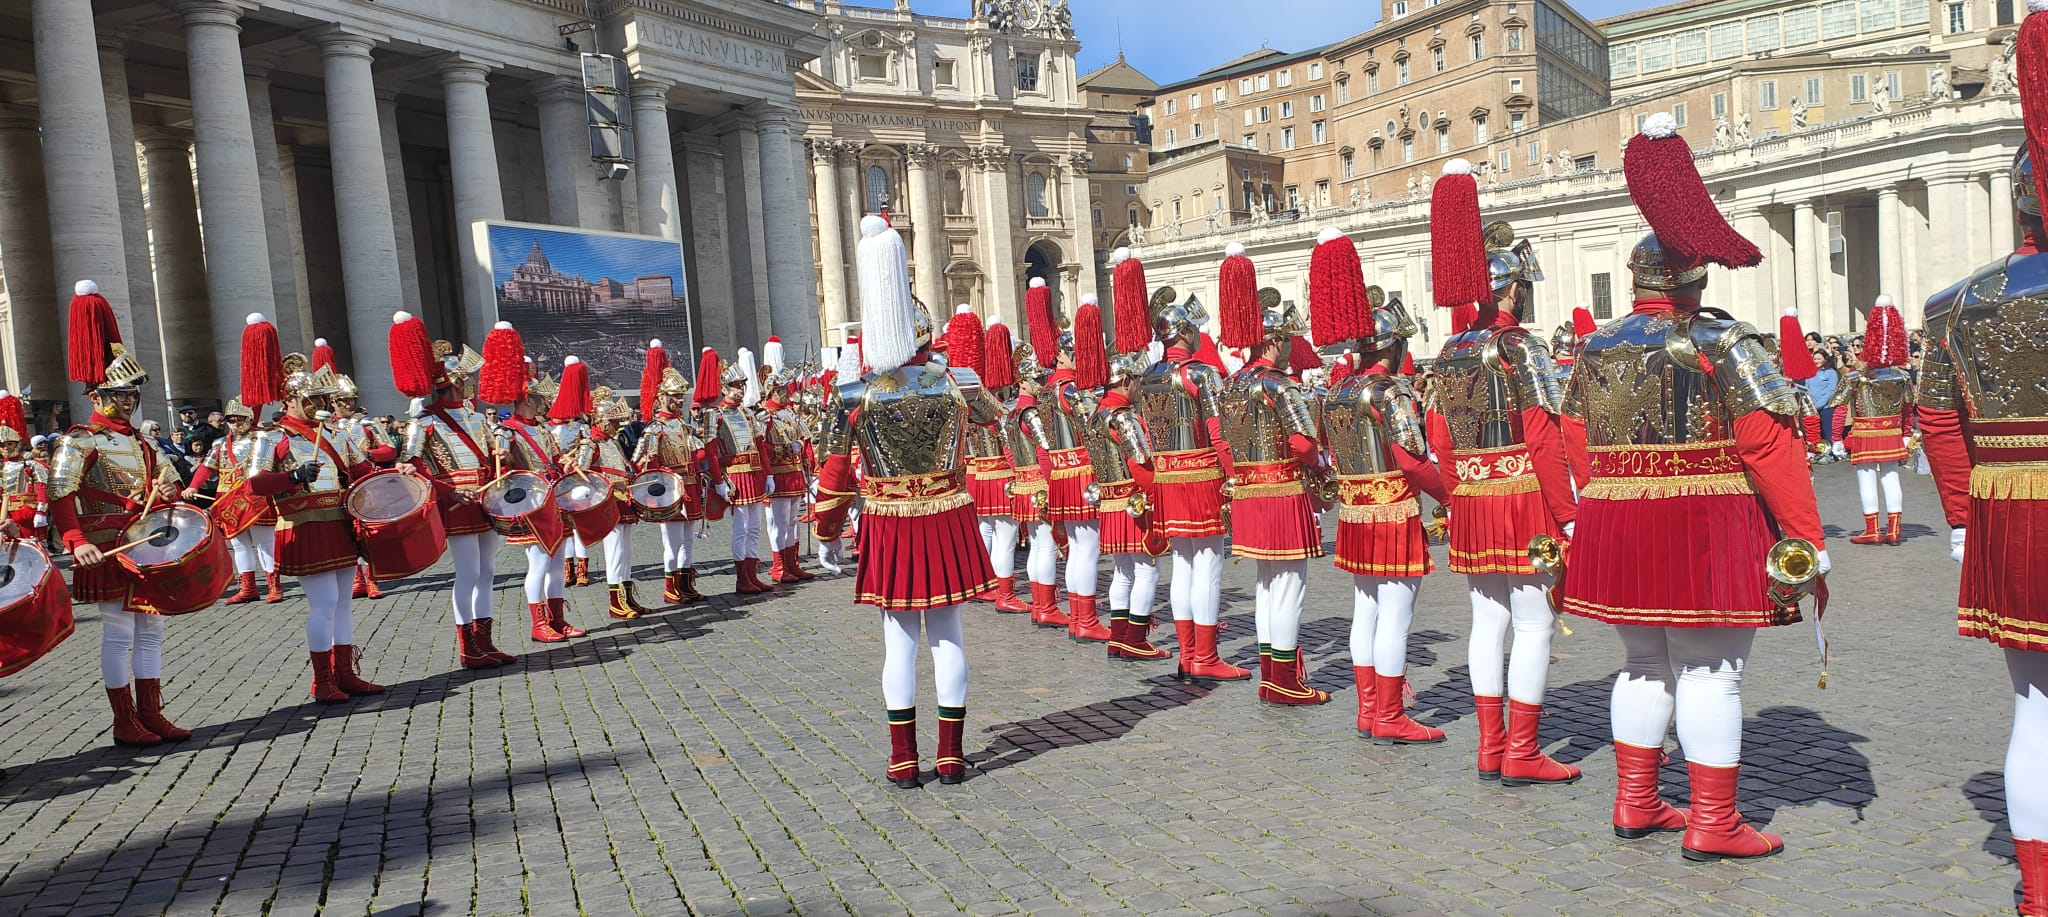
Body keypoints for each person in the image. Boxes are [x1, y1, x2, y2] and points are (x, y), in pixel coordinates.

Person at [1560, 112, 1829, 861]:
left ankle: (1636, 798)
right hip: (1707, 521)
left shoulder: (1595, 344)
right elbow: (1768, 442)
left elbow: (1574, 434)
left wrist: (1610, 490)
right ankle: (1714, 820)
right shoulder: (1723, 338)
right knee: (1712, 669)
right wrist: (1805, 534)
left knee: (1643, 663)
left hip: (1618, 518)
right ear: (1695, 274)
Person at [1919, 26, 2048, 904]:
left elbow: (1936, 415)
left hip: (2008, 508)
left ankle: (2037, 889)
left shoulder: (1957, 302)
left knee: (2035, 709)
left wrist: (1964, 515)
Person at [812, 216, 999, 788]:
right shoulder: (958, 381)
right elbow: (999, 417)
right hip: (948, 513)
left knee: (899, 644)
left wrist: (826, 529)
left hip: (889, 520)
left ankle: (901, 758)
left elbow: (836, 473)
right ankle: (949, 756)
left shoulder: (852, 394)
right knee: (949, 639)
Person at [1424, 160, 1580, 786]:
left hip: (1472, 496)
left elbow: (1438, 436)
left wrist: (1460, 490)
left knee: (1487, 621)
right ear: (1513, 289)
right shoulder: (1522, 348)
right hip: (1523, 497)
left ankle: (1490, 746)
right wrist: (1569, 513)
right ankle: (1522, 748)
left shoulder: (1450, 350)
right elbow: (1544, 436)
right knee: (1535, 621)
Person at [1309, 228, 1451, 740]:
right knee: (1395, 612)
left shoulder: (1337, 391)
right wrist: (1451, 495)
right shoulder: (1389, 392)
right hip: (1391, 508)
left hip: (1354, 510)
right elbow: (1412, 462)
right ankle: (1389, 715)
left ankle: (1370, 708)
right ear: (1394, 346)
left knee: (1365, 609)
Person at [50, 280, 192, 745]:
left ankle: (152, 713)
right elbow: (61, 495)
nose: (128, 401)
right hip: (107, 545)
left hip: (147, 541)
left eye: (132, 394)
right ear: (96, 397)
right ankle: (123, 720)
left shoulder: (144, 441)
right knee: (118, 632)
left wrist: (176, 498)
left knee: (152, 626)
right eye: (119, 394)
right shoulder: (79, 439)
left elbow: (167, 487)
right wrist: (76, 541)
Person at [245, 343, 388, 704]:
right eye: (312, 399)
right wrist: (292, 475)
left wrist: (386, 470)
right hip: (304, 524)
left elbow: (360, 470)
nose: (320, 405)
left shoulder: (337, 434)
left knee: (342, 602)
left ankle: (345, 673)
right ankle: (321, 680)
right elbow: (254, 482)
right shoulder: (273, 437)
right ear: (291, 400)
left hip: (338, 521)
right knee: (324, 602)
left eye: (322, 399)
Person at [1136, 267, 1243, 681]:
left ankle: (1186, 653)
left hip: (1167, 478)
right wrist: (1235, 476)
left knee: (1181, 565)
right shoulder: (1200, 373)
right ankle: (1207, 655)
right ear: (1182, 332)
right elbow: (1218, 435)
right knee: (1209, 565)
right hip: (1202, 477)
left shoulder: (1149, 377)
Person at [391, 313, 515, 670]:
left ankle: (486, 640)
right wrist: (447, 492)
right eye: (464, 380)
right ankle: (467, 645)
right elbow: (410, 466)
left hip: (485, 499)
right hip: (457, 502)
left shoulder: (478, 419)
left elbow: (495, 457)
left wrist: (502, 459)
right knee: (469, 572)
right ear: (453, 382)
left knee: (488, 570)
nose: (469, 385)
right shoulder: (424, 422)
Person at [478, 324, 585, 643]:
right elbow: (500, 473)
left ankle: (558, 619)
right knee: (538, 564)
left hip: (553, 501)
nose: (542, 402)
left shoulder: (542, 429)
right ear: (526, 397)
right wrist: (502, 457)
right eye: (537, 397)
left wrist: (568, 462)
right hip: (530, 505)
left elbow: (555, 458)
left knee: (555, 565)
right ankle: (538, 624)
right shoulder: (506, 431)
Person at [954, 308, 1024, 610]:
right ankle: (1004, 593)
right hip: (999, 475)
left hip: (974, 475)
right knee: (1005, 536)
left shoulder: (958, 403)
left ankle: (979, 583)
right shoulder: (994, 405)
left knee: (984, 530)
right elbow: (1009, 439)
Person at [1830, 297, 1914, 545]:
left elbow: (1838, 407)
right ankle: (1895, 529)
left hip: (1865, 433)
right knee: (1891, 476)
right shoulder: (1902, 375)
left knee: (1866, 477)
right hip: (1891, 431)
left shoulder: (1856, 376)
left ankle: (1872, 529)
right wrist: (1907, 432)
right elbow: (1909, 408)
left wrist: (1836, 438)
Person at [564, 385, 652, 618]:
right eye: (612, 422)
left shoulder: (612, 443)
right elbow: (580, 479)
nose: (616, 426)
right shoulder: (589, 445)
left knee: (626, 550)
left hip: (624, 501)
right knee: (614, 551)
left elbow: (624, 467)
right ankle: (616, 601)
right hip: (607, 503)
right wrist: (611, 486)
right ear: (600, 420)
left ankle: (627, 595)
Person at [634, 340, 711, 606]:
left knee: (688, 541)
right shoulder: (655, 429)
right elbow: (644, 464)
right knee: (672, 543)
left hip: (690, 487)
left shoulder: (683, 425)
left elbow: (696, 453)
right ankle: (670, 588)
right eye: (674, 396)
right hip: (670, 491)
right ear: (661, 398)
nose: (679, 400)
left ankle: (686, 584)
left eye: (681, 396)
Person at [184, 399, 281, 604]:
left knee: (265, 542)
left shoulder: (261, 438)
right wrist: (193, 486)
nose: (236, 424)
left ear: (249, 419)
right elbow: (207, 467)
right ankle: (248, 587)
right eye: (232, 420)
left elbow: (262, 469)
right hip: (227, 498)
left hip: (254, 495)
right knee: (239, 544)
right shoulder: (220, 443)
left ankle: (274, 585)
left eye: (240, 419)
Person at [705, 347, 775, 595]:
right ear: (724, 389)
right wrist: (717, 481)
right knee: (741, 528)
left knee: (755, 527)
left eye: (743, 385)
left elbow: (760, 446)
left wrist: (768, 474)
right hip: (735, 475)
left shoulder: (748, 414)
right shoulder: (715, 415)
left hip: (754, 473)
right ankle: (741, 578)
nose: (741, 389)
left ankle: (753, 574)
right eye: (736, 386)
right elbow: (711, 452)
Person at [756, 341, 815, 584]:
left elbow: (804, 438)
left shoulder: (790, 413)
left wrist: (806, 459)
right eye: (782, 390)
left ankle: (793, 562)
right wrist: (782, 447)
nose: (787, 393)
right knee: (779, 523)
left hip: (793, 473)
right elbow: (760, 446)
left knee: (792, 521)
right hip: (777, 474)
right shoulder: (764, 416)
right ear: (772, 392)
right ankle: (779, 566)